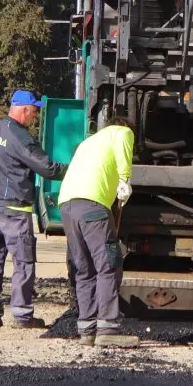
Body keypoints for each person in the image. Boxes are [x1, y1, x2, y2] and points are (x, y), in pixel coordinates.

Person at [0, 90, 67, 329]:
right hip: (14, 207)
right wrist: (75, 168)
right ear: (24, 109)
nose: (34, 117)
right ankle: (22, 315)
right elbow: (47, 169)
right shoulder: (20, 137)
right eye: (34, 112)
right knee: (23, 262)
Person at [57, 116, 138, 348]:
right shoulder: (122, 132)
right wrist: (124, 180)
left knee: (84, 268)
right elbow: (124, 154)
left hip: (67, 205)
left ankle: (87, 329)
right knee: (109, 264)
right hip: (92, 206)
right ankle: (108, 328)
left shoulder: (89, 142)